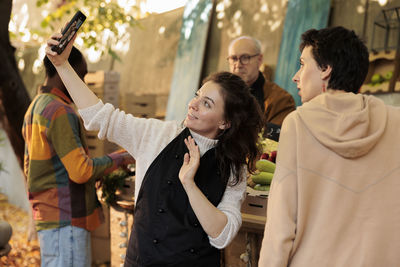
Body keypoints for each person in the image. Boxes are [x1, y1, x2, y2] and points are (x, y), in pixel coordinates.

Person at [45, 32, 264, 266]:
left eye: (206, 104)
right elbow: (101, 117)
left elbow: (223, 235)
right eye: (197, 96)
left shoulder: (234, 167)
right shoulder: (158, 135)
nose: (193, 104)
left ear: (225, 122)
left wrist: (190, 185)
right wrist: (62, 65)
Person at [258, 26, 400, 267]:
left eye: (303, 64)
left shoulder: (298, 122)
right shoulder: (395, 121)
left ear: (326, 69)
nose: (296, 76)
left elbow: (281, 224)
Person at [22, 46, 134, 267]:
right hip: (66, 220)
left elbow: (38, 168)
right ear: (65, 71)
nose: (82, 82)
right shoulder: (60, 110)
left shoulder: (36, 106)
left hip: (49, 220)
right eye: (81, 75)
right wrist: (121, 158)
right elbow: (81, 171)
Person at [227, 36, 296, 126]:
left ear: (259, 60)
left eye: (245, 58)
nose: (238, 65)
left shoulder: (280, 100)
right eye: (234, 58)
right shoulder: (220, 93)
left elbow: (271, 139)